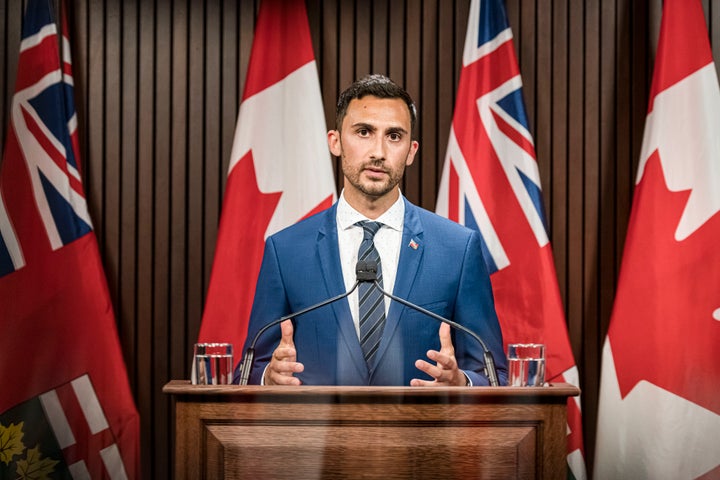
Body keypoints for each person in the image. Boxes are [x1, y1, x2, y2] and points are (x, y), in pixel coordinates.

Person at [239, 74, 507, 386]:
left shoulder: (457, 249)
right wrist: (267, 378)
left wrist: (462, 381)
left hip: (420, 434)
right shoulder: (285, 251)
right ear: (335, 141)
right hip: (319, 434)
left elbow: (494, 373)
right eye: (364, 132)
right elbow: (248, 371)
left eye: (394, 136)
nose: (378, 151)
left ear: (411, 151)